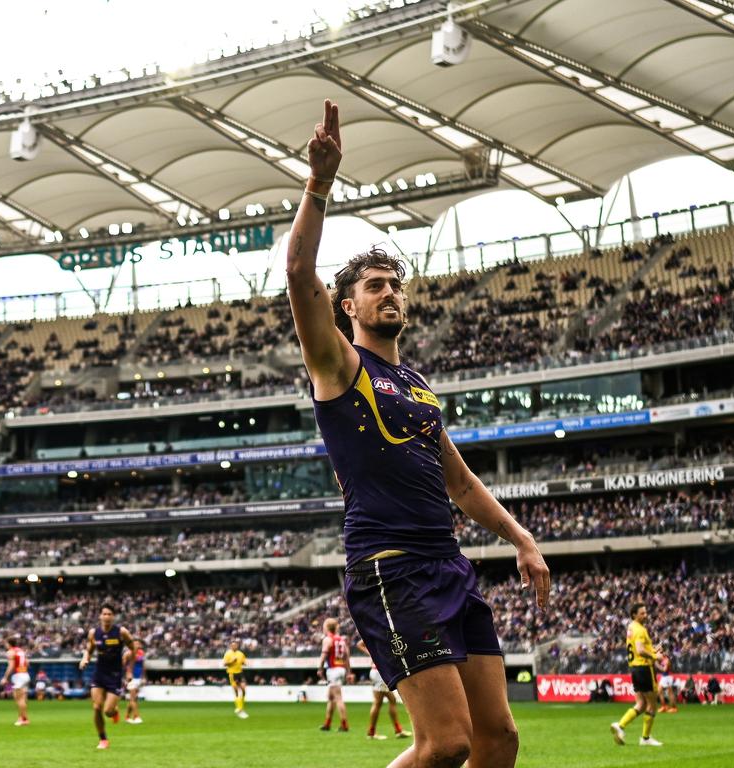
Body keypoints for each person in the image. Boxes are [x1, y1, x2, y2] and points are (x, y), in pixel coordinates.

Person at [286, 98, 550, 768]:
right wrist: (318, 184)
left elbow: (459, 482)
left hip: (449, 567)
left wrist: (521, 539)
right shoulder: (340, 365)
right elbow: (296, 275)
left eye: (396, 285)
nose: (390, 293)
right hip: (390, 569)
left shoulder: (423, 389)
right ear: (348, 307)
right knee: (445, 742)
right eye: (375, 287)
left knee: (499, 738)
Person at [79, 603, 136, 750]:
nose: (106, 617)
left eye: (109, 614)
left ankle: (115, 710)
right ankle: (103, 739)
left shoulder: (121, 632)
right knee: (97, 707)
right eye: (104, 614)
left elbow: (133, 649)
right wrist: (85, 658)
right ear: (100, 616)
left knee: (108, 712)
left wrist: (129, 671)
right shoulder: (93, 633)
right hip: (99, 674)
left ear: (113, 616)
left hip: (115, 675)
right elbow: (89, 650)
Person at [610, 602, 663, 747]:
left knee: (640, 704)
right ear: (634, 615)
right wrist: (655, 656)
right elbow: (640, 650)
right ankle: (645, 738)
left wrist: (653, 649)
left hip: (634, 669)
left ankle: (620, 726)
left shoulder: (631, 628)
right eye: (642, 613)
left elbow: (638, 647)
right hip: (644, 669)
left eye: (646, 612)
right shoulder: (640, 630)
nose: (645, 615)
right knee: (652, 705)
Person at [357, 640, 410, 741]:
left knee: (386, 701)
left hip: (376, 671)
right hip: (379, 672)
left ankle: (394, 730)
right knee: (382, 702)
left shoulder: (374, 633)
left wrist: (373, 653)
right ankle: (374, 732)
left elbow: (360, 644)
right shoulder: (384, 632)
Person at [317, 618, 352, 732]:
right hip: (341, 668)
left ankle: (344, 724)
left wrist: (320, 668)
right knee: (331, 697)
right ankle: (327, 723)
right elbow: (347, 656)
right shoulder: (341, 639)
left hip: (333, 670)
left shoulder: (328, 639)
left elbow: (324, 655)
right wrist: (348, 672)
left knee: (337, 698)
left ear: (327, 627)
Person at [0, 636, 30, 726]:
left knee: (18, 699)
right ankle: (22, 718)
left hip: (19, 676)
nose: (5, 645)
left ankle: (24, 719)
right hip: (25, 674)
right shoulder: (20, 650)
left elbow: (11, 666)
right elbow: (28, 663)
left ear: (9, 644)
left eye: (6, 643)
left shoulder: (10, 652)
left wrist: (5, 677)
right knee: (23, 699)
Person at [222, 640, 249, 719]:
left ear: (237, 646)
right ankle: (239, 709)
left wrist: (245, 663)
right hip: (232, 674)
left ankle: (241, 708)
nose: (234, 646)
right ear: (231, 646)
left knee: (243, 689)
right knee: (236, 691)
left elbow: (243, 661)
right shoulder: (228, 654)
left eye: (235, 645)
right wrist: (232, 661)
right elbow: (224, 664)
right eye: (233, 645)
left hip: (240, 673)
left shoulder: (240, 654)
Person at [124, 640, 145, 724]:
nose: (137, 644)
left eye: (138, 643)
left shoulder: (141, 652)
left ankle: (127, 717)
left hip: (138, 678)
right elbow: (122, 664)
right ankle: (137, 717)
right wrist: (127, 674)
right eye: (135, 643)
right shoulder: (128, 653)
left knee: (134, 698)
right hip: (131, 678)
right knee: (133, 698)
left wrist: (143, 677)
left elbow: (142, 665)